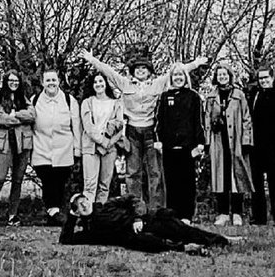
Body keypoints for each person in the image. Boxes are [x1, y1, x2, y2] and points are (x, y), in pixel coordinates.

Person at [78, 47, 209, 215]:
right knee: (133, 173)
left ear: (149, 72)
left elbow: (176, 72)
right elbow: (108, 72)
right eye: (137, 68)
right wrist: (91, 59)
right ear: (133, 71)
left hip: (150, 132)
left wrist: (196, 64)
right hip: (132, 131)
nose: (141, 71)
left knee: (155, 172)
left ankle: (157, 211)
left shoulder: (157, 84)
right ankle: (135, 211)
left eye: (144, 68)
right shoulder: (124, 83)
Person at [59, 192, 230, 255]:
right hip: (132, 237)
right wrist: (71, 217)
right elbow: (66, 239)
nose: (83, 205)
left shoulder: (109, 204)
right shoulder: (90, 231)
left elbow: (134, 200)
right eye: (78, 206)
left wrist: (137, 218)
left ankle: (223, 240)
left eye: (83, 200)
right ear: (77, 211)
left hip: (146, 222)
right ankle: (186, 248)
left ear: (88, 199)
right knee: (145, 242)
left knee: (180, 229)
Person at [0, 68, 36, 227]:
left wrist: (15, 115)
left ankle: (12, 214)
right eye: (10, 81)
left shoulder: (24, 98)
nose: (13, 83)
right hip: (5, 142)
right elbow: (0, 118)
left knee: (18, 180)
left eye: (16, 81)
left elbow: (32, 115)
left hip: (23, 143)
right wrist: (18, 118)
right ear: (6, 82)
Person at [203, 64, 253, 226]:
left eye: (225, 74)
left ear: (230, 76)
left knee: (236, 175)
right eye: (219, 75)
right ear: (216, 77)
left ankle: (237, 212)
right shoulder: (211, 97)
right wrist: (207, 141)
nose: (222, 77)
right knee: (220, 176)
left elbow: (246, 118)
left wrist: (246, 140)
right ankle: (223, 212)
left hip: (236, 141)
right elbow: (206, 120)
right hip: (218, 141)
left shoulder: (239, 95)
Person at [31, 67, 83, 223]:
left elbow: (77, 125)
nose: (51, 83)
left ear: (59, 81)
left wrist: (77, 148)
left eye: (54, 80)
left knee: (60, 181)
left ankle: (54, 213)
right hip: (41, 147)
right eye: (48, 80)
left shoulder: (69, 100)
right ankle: (53, 211)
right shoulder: (34, 100)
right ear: (42, 82)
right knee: (47, 180)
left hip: (64, 148)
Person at [154, 65, 205, 220]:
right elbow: (159, 122)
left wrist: (200, 143)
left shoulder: (194, 96)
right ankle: (172, 216)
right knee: (171, 182)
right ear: (171, 77)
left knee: (187, 183)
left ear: (185, 77)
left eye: (181, 75)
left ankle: (187, 216)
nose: (178, 78)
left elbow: (199, 122)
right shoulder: (164, 97)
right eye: (175, 75)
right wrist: (159, 142)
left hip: (188, 148)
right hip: (169, 148)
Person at [246, 66, 275, 227]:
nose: (263, 81)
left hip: (271, 145)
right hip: (255, 145)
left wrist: (270, 136)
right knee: (256, 183)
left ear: (272, 79)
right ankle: (259, 217)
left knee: (274, 183)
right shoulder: (255, 96)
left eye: (266, 78)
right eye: (261, 78)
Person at [80, 72, 125, 206]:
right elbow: (88, 127)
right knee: (90, 185)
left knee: (104, 185)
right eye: (95, 82)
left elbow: (120, 124)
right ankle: (87, 216)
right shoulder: (87, 102)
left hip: (110, 149)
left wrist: (109, 142)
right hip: (91, 147)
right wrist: (102, 141)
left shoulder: (115, 103)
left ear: (106, 83)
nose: (98, 84)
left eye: (101, 81)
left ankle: (99, 216)